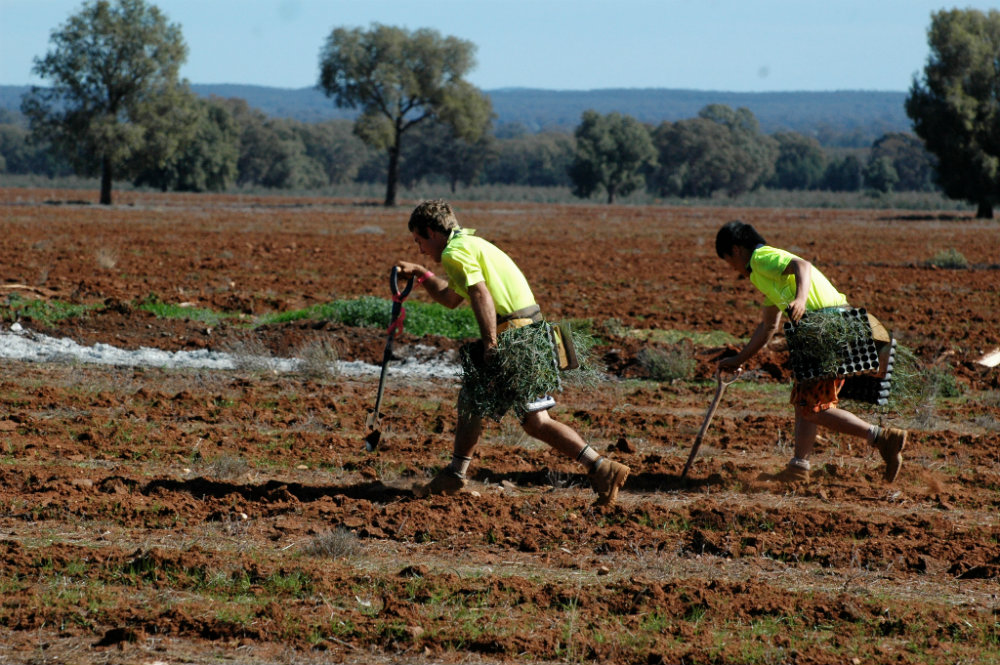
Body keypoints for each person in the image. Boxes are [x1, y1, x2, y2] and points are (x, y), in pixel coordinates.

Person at [395, 199, 630, 506]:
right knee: (506, 411)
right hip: (531, 333)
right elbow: (452, 298)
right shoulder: (471, 246)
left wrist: (490, 342)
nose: (421, 250)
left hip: (516, 338)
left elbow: (480, 293)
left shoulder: (455, 252)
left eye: (419, 241)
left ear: (431, 232)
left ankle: (600, 468)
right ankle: (600, 468)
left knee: (506, 411)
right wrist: (422, 274)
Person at [714, 220, 907, 484]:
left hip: (825, 328)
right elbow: (768, 326)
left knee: (813, 407)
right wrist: (739, 359)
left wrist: (801, 299)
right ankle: (798, 466)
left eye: (728, 261)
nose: (732, 269)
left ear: (736, 250)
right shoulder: (766, 277)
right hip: (832, 326)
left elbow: (802, 265)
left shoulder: (760, 257)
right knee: (805, 401)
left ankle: (882, 438)